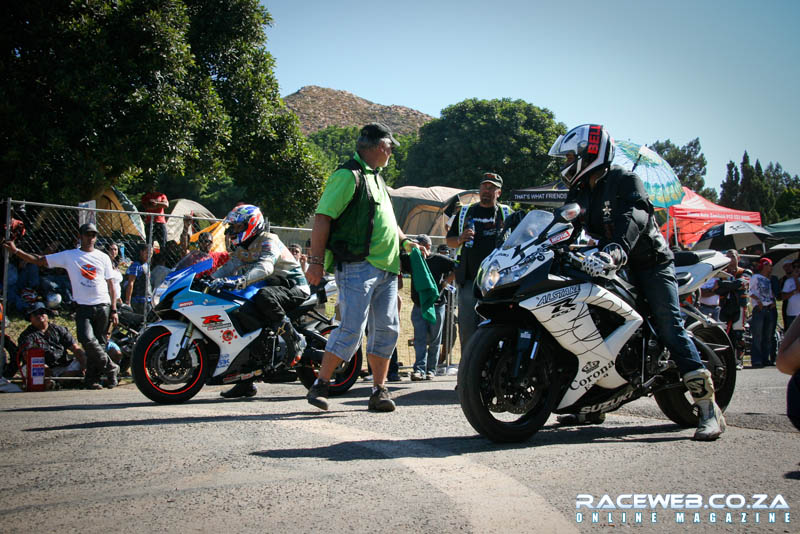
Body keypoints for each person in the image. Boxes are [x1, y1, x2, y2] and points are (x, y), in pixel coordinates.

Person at [548, 123, 725, 440]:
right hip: (609, 261)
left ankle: (709, 409)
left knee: (669, 327)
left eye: (571, 156)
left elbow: (636, 216)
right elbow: (566, 221)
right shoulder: (580, 190)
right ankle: (594, 402)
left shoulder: (625, 180)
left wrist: (617, 249)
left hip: (649, 263)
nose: (566, 163)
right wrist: (549, 245)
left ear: (590, 154)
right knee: (595, 320)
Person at [305, 122, 422, 412]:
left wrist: (407, 243)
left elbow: (390, 223)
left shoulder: (377, 179)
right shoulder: (347, 176)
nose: (392, 152)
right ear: (380, 147)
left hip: (387, 268)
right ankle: (321, 384)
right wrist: (316, 262)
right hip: (358, 266)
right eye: (390, 147)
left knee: (388, 329)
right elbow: (322, 218)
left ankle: (379, 391)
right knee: (351, 328)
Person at [4, 223, 120, 389]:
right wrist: (16, 251)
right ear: (80, 236)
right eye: (87, 234)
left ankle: (93, 380)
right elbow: (39, 260)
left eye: (93, 235)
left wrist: (114, 309)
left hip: (103, 304)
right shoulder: (69, 256)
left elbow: (111, 285)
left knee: (100, 344)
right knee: (86, 338)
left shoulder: (103, 257)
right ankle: (111, 368)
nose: (90, 238)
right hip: (82, 306)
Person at [211, 204, 310, 399]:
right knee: (242, 318)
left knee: (264, 296)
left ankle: (294, 340)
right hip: (272, 288)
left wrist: (241, 280)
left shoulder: (268, 240)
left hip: (293, 287)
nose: (234, 230)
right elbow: (230, 266)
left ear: (252, 224)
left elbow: (265, 268)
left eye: (238, 226)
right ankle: (245, 383)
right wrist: (210, 280)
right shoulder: (243, 247)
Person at [445, 173, 513, 351]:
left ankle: (490, 367)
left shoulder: (507, 213)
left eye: (492, 188)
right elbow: (448, 241)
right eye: (484, 187)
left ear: (498, 192)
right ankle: (468, 366)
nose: (487, 191)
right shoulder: (465, 212)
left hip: (497, 282)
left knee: (493, 327)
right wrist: (460, 238)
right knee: (467, 326)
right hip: (469, 279)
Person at [405, 235, 456, 381]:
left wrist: (447, 281)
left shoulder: (439, 259)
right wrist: (409, 246)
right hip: (419, 305)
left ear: (427, 246)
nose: (417, 249)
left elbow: (457, 266)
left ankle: (431, 370)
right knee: (419, 339)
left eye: (419, 245)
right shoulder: (413, 260)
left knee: (435, 339)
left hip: (437, 304)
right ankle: (419, 369)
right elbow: (401, 258)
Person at [18, 302, 86, 383]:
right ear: (30, 318)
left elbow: (75, 348)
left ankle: (61, 380)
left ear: (47, 315)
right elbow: (27, 357)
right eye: (35, 314)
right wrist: (45, 369)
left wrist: (83, 365)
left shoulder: (59, 329)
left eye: (42, 312)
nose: (39, 315)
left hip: (64, 366)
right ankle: (60, 381)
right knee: (30, 367)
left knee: (87, 356)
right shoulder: (26, 336)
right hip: (42, 368)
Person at [717, 250, 748, 370]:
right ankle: (726, 361)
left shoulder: (745, 271)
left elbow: (742, 283)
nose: (730, 259)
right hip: (725, 307)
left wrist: (725, 285)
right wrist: (732, 285)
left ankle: (738, 360)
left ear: (738, 258)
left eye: (733, 256)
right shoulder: (721, 273)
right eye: (728, 257)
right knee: (724, 335)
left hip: (739, 306)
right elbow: (717, 289)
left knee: (738, 334)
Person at [749, 257, 777, 368]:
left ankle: (766, 359)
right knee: (758, 335)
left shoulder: (770, 279)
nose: (770, 267)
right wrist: (758, 300)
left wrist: (773, 300)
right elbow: (749, 291)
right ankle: (756, 360)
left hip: (769, 308)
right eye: (768, 264)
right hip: (759, 309)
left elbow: (770, 293)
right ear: (763, 266)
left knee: (768, 336)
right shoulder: (756, 277)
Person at [124, 244, 151, 315]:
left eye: (151, 253)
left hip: (147, 300)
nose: (149, 255)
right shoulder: (136, 265)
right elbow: (131, 283)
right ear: (141, 252)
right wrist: (128, 302)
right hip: (138, 302)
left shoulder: (146, 265)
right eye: (147, 252)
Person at [781, 259, 800, 330]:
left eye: (799, 267)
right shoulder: (788, 281)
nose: (797, 269)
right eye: (795, 267)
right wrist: (793, 292)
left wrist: (795, 278)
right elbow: (783, 296)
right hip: (791, 313)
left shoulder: (794, 279)